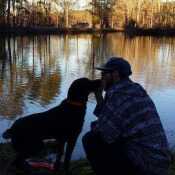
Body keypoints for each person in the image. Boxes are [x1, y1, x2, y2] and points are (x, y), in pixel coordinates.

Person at [82, 57, 171, 175]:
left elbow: (103, 133)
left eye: (104, 73)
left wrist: (96, 126)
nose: (102, 77)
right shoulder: (134, 89)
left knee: (90, 140)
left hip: (147, 165)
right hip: (160, 161)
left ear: (115, 74)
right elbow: (111, 117)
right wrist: (99, 96)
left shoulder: (118, 95)